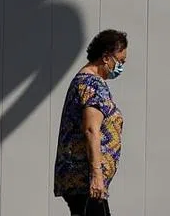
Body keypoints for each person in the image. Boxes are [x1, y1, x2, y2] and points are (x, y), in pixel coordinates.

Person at [54, 29, 129, 216]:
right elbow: (90, 129)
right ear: (106, 57)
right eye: (120, 61)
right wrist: (96, 174)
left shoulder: (86, 82)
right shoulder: (92, 84)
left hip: (82, 182)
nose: (121, 67)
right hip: (85, 181)